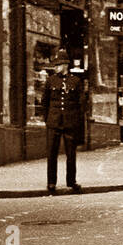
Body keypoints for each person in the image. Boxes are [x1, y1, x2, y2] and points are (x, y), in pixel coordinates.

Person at [43, 50, 85, 195]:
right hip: (54, 122)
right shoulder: (50, 81)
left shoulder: (76, 81)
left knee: (71, 154)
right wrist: (48, 120)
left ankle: (71, 181)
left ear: (66, 65)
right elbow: (45, 103)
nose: (56, 68)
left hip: (70, 122)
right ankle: (51, 182)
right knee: (51, 153)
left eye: (58, 65)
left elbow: (81, 104)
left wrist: (77, 123)